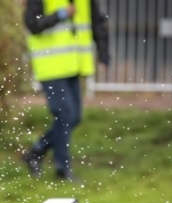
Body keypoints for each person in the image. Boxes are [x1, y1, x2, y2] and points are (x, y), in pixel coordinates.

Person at [22, 0, 109, 181]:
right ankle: (62, 169)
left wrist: (104, 53)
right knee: (64, 115)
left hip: (73, 64)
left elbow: (97, 22)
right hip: (50, 65)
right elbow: (32, 24)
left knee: (74, 118)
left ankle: (35, 152)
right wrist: (60, 15)